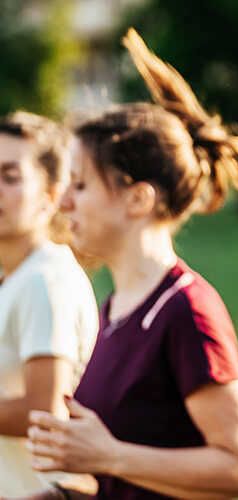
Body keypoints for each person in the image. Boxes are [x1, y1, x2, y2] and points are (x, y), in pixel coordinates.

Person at [21, 29, 238, 500]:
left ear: (137, 199)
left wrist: (107, 455)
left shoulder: (185, 312)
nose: (64, 203)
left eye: (81, 185)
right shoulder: (115, 309)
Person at [0, 112, 97, 497]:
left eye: (10, 177)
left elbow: (44, 411)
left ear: (53, 196)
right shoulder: (13, 277)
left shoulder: (45, 278)